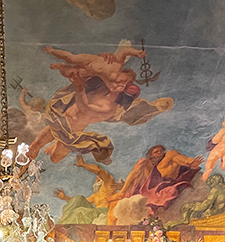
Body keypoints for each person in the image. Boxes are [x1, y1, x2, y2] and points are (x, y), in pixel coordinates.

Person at [28, 45, 173, 164]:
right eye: (119, 79)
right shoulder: (100, 83)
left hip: (71, 133)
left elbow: (85, 108)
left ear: (123, 92)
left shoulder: (110, 108)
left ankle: (56, 145)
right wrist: (110, 56)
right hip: (61, 121)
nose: (118, 82)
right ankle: (20, 173)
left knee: (55, 158)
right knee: (34, 147)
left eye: (123, 84)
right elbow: (105, 64)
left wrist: (80, 88)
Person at [104, 145, 203, 224]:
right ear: (151, 155)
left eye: (161, 151)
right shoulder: (150, 166)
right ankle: (122, 192)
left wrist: (190, 162)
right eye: (156, 152)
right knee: (142, 162)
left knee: (146, 162)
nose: (159, 153)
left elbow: (180, 158)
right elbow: (137, 175)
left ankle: (122, 192)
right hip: (151, 185)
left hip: (165, 185)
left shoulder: (169, 156)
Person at [53, 156, 121, 224]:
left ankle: (62, 225)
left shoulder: (109, 183)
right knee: (79, 198)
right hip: (95, 212)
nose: (96, 178)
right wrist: (65, 197)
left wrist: (84, 164)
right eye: (96, 178)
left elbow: (99, 170)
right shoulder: (95, 196)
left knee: (80, 211)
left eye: (99, 177)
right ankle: (61, 223)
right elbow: (78, 202)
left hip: (104, 211)